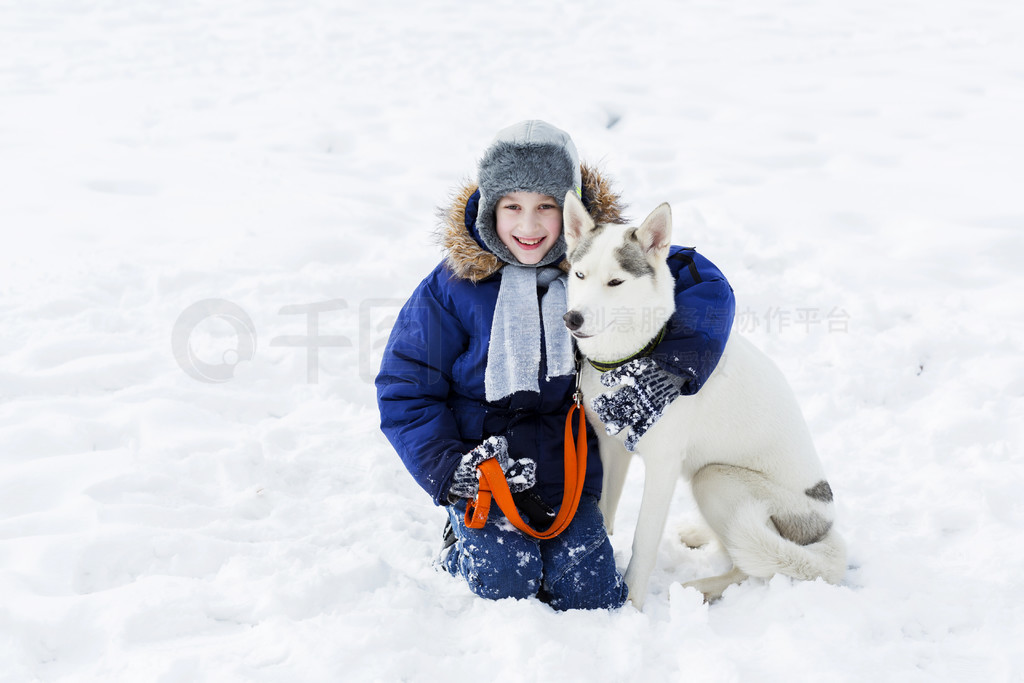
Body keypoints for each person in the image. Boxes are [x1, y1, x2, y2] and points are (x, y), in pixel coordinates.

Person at [375, 120, 735, 610]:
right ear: (489, 211)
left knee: (590, 592)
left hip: (569, 474)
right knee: (506, 582)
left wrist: (673, 365)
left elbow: (705, 285)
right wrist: (448, 467)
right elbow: (405, 387)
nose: (529, 226)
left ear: (569, 213)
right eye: (512, 207)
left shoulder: (594, 260)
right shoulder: (453, 287)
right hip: (488, 476)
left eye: (545, 206)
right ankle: (459, 544)